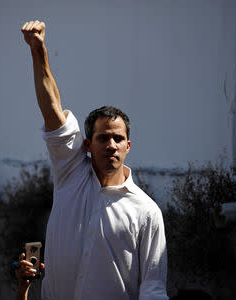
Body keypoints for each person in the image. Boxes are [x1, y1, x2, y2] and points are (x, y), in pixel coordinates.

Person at [21, 20, 168, 300]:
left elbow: (153, 287)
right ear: (87, 145)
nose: (111, 145)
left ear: (128, 146)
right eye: (103, 138)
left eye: (117, 139)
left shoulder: (147, 212)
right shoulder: (70, 172)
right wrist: (38, 51)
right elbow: (52, 110)